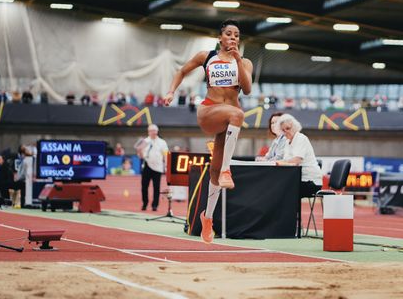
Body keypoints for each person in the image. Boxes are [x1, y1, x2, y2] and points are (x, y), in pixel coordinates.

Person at [164, 19, 253, 243]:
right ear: (220, 38)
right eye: (229, 34)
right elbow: (181, 71)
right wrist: (170, 92)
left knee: (213, 172)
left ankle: (208, 217)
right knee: (238, 115)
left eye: (237, 35)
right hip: (209, 112)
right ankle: (226, 170)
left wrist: (238, 60)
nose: (233, 38)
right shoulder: (207, 56)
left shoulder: (245, 62)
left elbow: (248, 89)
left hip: (229, 118)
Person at [275, 114, 322, 198]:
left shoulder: (301, 138)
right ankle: (289, 211)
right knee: (277, 186)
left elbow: (296, 161)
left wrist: (281, 162)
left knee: (281, 189)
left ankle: (291, 211)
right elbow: (286, 161)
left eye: (288, 128)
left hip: (310, 181)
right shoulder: (287, 142)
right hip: (297, 179)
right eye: (283, 130)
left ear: (295, 127)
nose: (286, 132)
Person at [135, 124, 169, 211]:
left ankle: (155, 205)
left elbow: (166, 155)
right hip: (147, 166)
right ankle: (145, 203)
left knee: (156, 187)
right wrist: (139, 152)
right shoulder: (145, 141)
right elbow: (140, 156)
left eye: (154, 130)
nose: (153, 132)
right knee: (144, 186)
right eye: (151, 131)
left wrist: (166, 166)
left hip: (158, 167)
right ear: (148, 132)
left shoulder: (162, 142)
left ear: (157, 131)